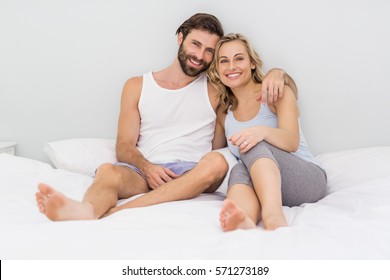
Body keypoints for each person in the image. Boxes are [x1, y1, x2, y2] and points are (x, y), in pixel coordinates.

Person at [36, 14, 297, 221]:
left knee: (218, 163)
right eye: (196, 44)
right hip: (143, 171)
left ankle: (127, 209)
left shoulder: (217, 89)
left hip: (195, 173)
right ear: (180, 38)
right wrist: (149, 168)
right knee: (107, 171)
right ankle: (86, 211)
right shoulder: (137, 86)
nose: (200, 55)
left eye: (209, 51)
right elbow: (124, 145)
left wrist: (279, 73)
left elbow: (273, 92)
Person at [208, 33, 327, 231]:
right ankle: (243, 218)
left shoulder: (274, 92)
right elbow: (220, 155)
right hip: (267, 184)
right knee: (239, 166)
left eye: (239, 58)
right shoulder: (224, 112)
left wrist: (260, 132)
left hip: (307, 180)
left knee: (251, 144)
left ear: (252, 63)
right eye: (224, 61)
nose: (231, 67)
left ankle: (273, 215)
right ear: (217, 69)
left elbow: (291, 142)